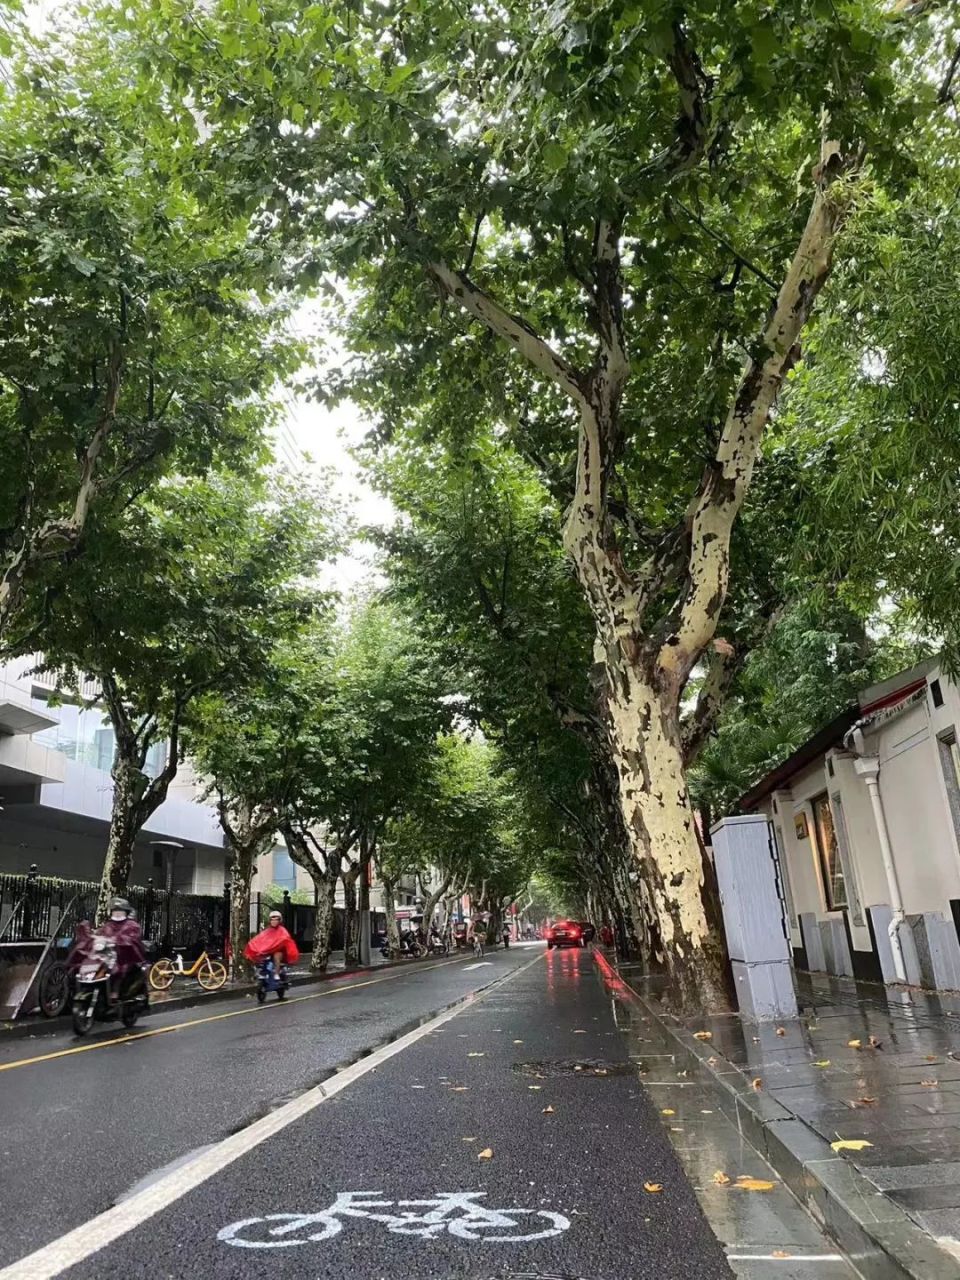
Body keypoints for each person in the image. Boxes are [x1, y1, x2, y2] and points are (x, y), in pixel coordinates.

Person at [244, 910, 299, 975]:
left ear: (279, 921)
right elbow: (259, 939)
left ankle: (276, 974)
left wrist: (277, 945)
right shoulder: (267, 930)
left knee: (277, 956)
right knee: (257, 956)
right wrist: (252, 945)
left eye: (276, 920)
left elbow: (286, 940)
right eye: (272, 920)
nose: (274, 921)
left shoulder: (282, 930)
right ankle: (259, 971)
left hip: (280, 951)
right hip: (268, 951)